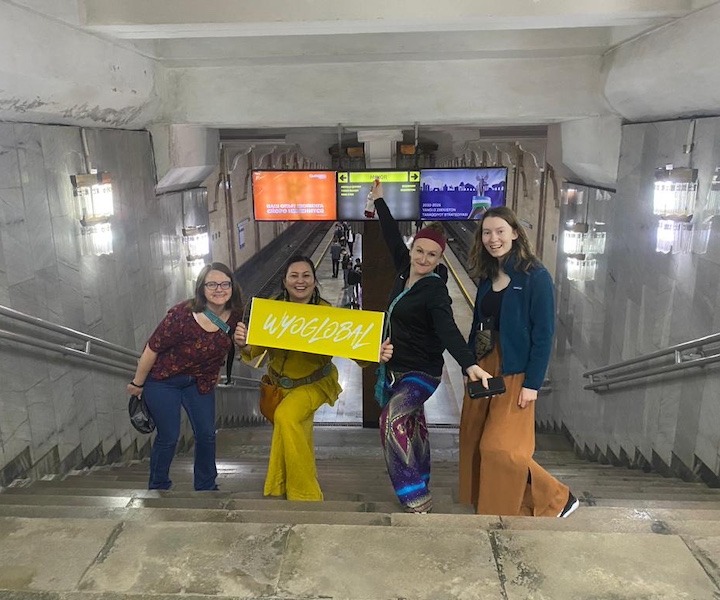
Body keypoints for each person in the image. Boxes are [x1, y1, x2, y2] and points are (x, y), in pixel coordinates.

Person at [371, 180, 492, 514]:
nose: (423, 258)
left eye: (432, 254)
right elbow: (390, 234)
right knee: (413, 427)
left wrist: (469, 364)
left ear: (441, 258)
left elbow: (449, 331)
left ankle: (414, 495)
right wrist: (379, 201)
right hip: (395, 369)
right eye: (420, 250)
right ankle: (421, 476)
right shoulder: (403, 268)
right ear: (413, 249)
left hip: (421, 372)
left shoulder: (435, 290)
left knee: (392, 420)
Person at [233, 255, 392, 501]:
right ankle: (279, 484)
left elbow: (356, 349)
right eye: (294, 276)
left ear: (314, 281)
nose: (300, 281)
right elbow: (252, 351)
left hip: (314, 384)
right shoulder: (271, 310)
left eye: (306, 275)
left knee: (286, 417)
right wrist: (242, 343)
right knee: (297, 430)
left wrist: (375, 352)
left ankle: (304, 493)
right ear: (284, 281)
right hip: (278, 386)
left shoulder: (326, 313)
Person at [460, 207, 578, 518]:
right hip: (484, 368)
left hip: (515, 370)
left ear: (515, 233)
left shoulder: (534, 277)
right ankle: (491, 506)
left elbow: (544, 333)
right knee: (474, 439)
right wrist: (469, 364)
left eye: (500, 231)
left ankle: (556, 497)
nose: (493, 239)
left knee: (502, 449)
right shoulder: (488, 276)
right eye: (487, 232)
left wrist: (532, 385)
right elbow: (477, 324)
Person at [127, 262, 242, 491]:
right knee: (169, 436)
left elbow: (237, 347)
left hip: (201, 382)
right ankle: (158, 484)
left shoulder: (236, 315)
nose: (219, 289)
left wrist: (240, 347)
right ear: (202, 288)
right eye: (212, 284)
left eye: (224, 284)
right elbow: (153, 348)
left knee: (207, 434)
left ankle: (206, 485)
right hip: (164, 381)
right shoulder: (183, 314)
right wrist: (137, 383)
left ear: (232, 287)